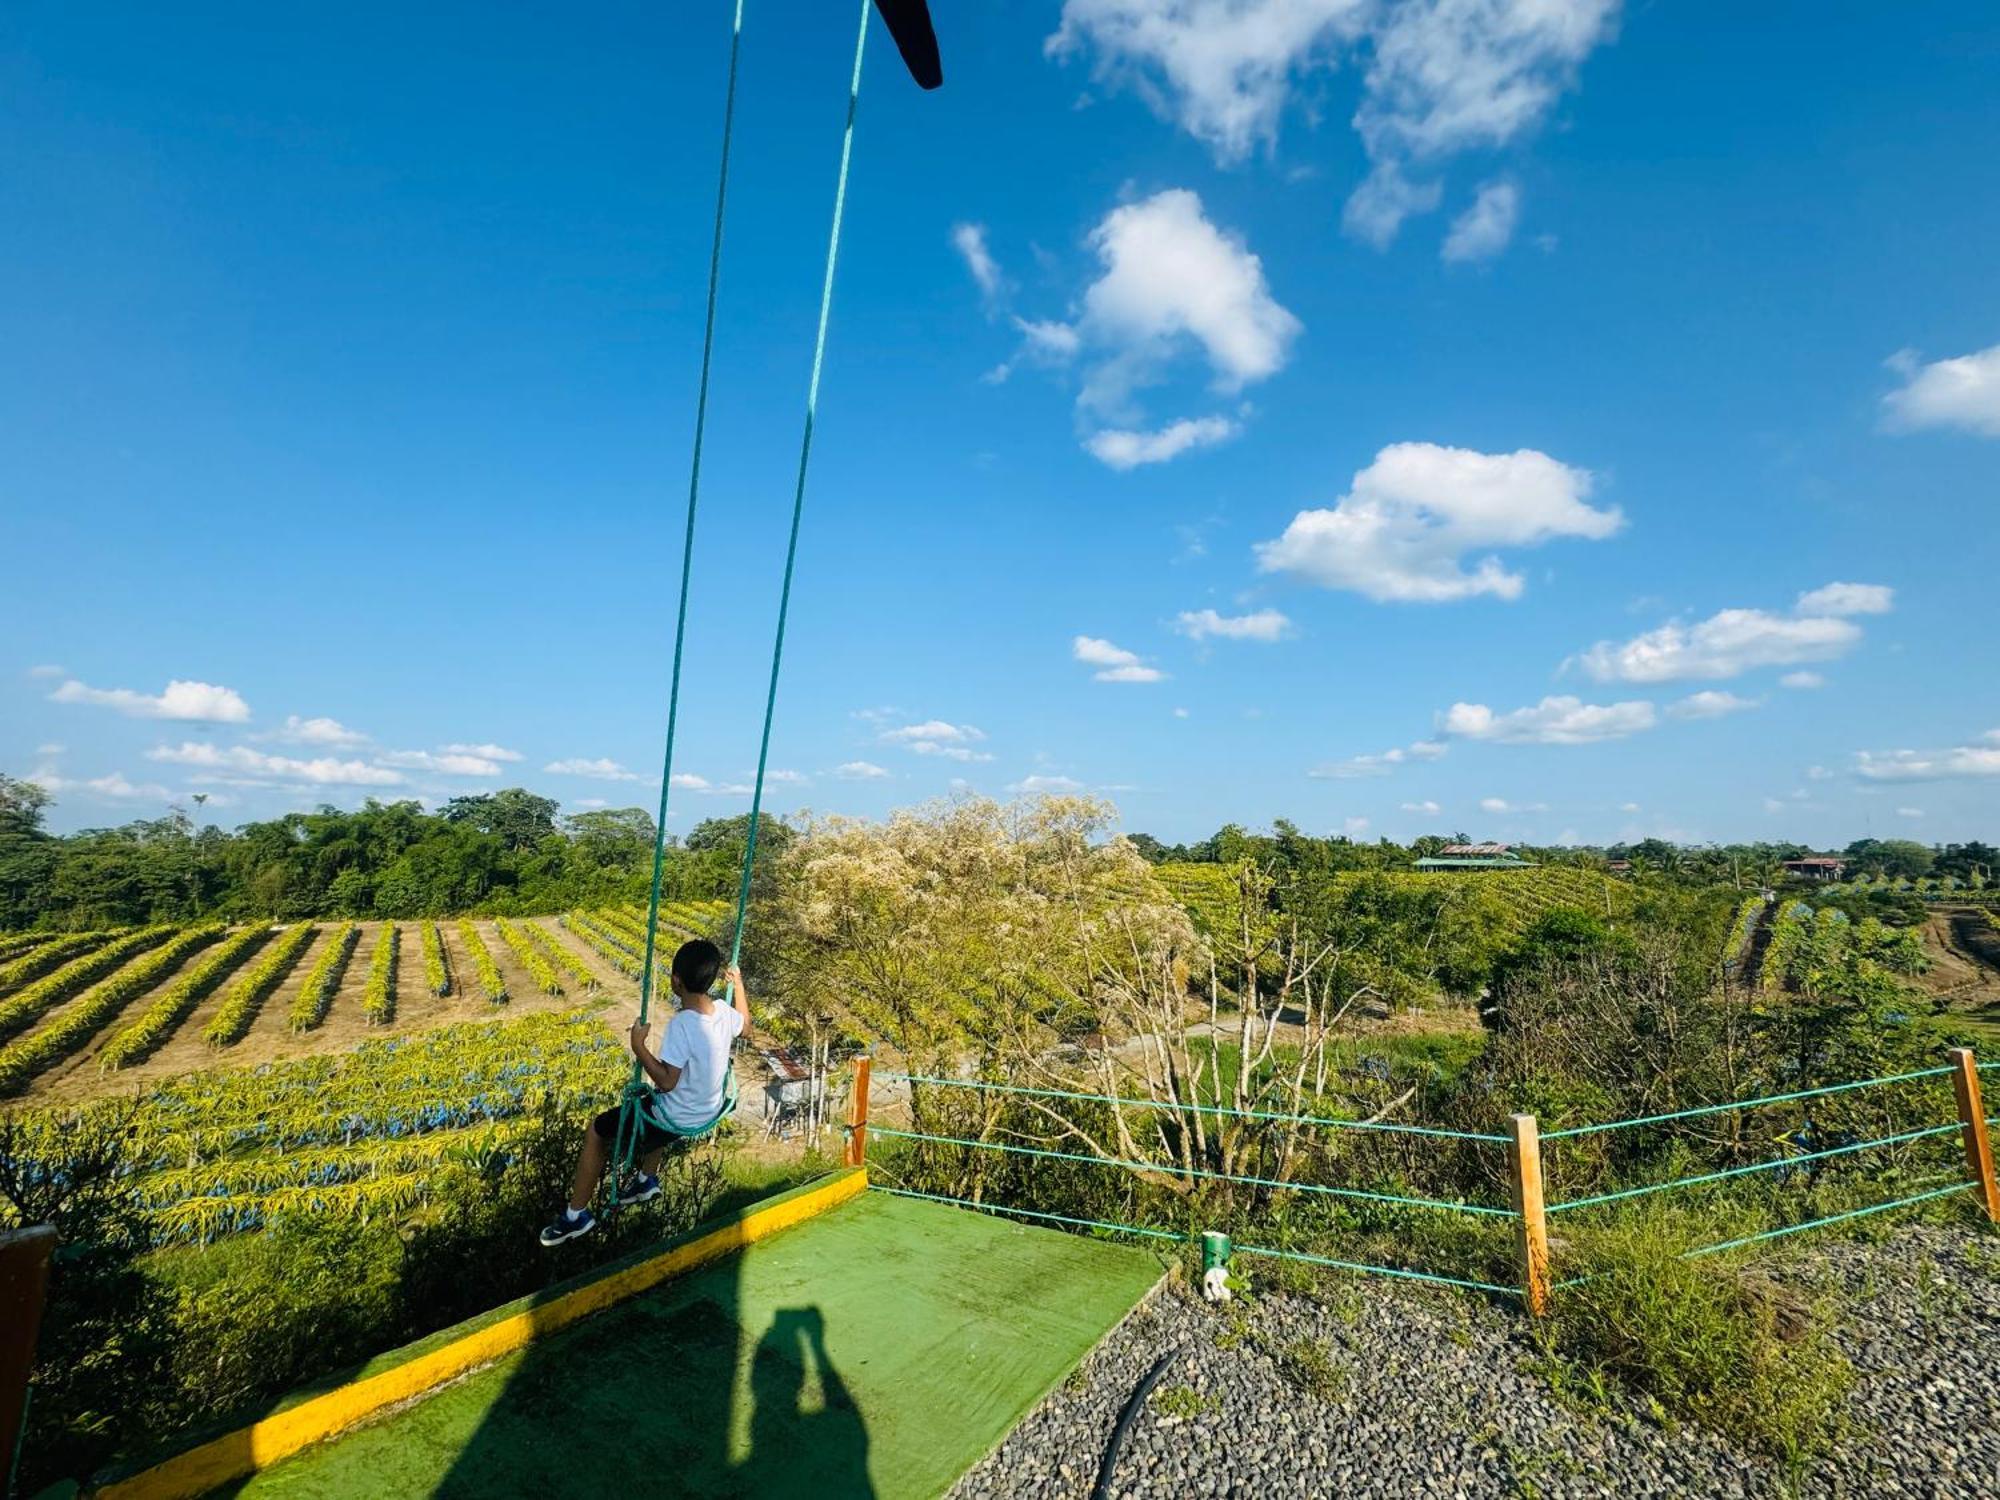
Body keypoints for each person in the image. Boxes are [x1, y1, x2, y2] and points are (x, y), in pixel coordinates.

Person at [540, 938, 747, 1247]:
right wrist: (739, 986)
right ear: (713, 979)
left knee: (598, 1130)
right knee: (650, 1104)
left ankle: (575, 1215)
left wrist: (639, 1047)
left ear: (676, 981)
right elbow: (747, 1026)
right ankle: (645, 1180)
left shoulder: (683, 1025)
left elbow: (667, 1081)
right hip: (708, 1109)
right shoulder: (722, 1011)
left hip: (679, 1117)